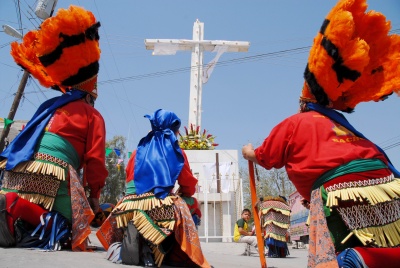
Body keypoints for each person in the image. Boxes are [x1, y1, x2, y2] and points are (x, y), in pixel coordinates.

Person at [242, 0, 400, 267]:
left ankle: (356, 259)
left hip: (340, 189)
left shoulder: (296, 122)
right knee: (388, 241)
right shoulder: (343, 126)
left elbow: (265, 156)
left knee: (347, 254)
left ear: (304, 103)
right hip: (387, 184)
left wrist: (248, 151)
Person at [0, 6, 108, 251]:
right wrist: (94, 197)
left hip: (16, 169)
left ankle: (13, 207)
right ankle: (12, 204)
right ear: (91, 94)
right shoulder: (93, 115)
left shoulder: (49, 106)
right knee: (71, 229)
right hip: (51, 172)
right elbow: (95, 162)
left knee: (36, 215)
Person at [96, 109, 211, 268]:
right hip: (157, 204)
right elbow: (189, 186)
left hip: (126, 206)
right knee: (192, 204)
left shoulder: (138, 150)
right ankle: (176, 254)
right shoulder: (177, 151)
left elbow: (129, 179)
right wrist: (180, 193)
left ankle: (125, 245)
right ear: (173, 130)